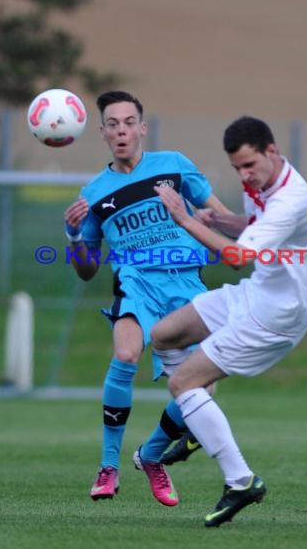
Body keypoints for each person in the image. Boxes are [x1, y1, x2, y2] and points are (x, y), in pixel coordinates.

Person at [134, 116, 307, 527]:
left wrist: (185, 219)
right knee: (164, 334)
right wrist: (222, 221)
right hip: (257, 292)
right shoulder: (262, 181)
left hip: (279, 313)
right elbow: (252, 229)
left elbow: (237, 258)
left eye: (249, 165)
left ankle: (241, 481)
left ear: (272, 151)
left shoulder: (291, 199)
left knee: (184, 383)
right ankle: (199, 420)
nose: (243, 175)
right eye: (236, 168)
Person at [63, 90, 232, 505]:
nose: (121, 131)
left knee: (202, 389)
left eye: (128, 122)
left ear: (142, 127)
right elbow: (86, 269)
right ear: (102, 133)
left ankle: (151, 455)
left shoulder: (174, 166)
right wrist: (71, 237)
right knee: (125, 354)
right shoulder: (95, 193)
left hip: (186, 285)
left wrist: (244, 238)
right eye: (112, 125)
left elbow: (220, 213)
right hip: (136, 283)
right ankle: (108, 467)